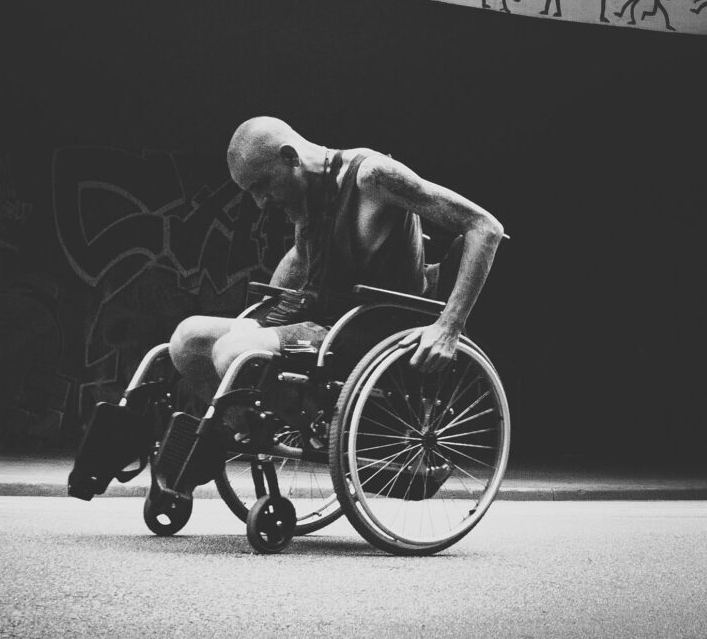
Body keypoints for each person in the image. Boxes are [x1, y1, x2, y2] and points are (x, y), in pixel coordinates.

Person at [68, 116, 507, 500]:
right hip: (321, 322)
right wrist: (262, 317)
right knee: (188, 339)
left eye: (262, 186)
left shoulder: (371, 177)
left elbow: (484, 227)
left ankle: (244, 433)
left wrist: (449, 326)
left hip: (370, 328)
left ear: (290, 155)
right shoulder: (308, 199)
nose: (260, 202)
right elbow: (301, 259)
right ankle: (231, 431)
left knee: (232, 352)